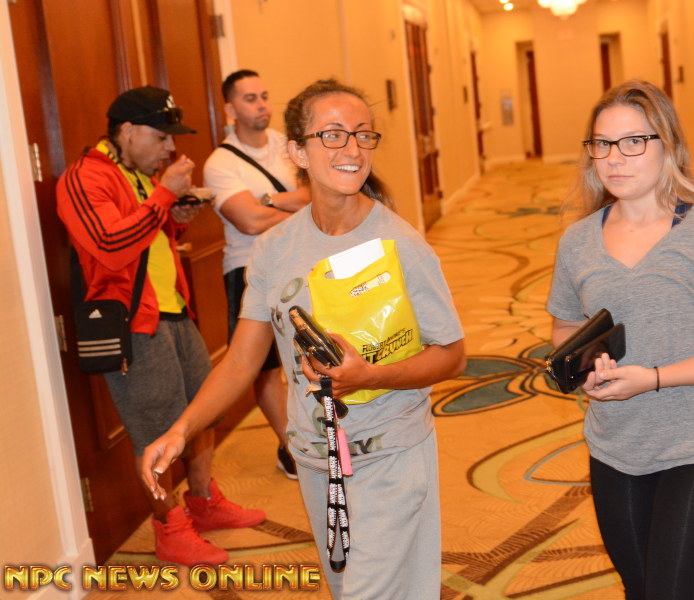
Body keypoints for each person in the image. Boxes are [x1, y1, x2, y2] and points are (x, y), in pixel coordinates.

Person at [141, 79, 466, 599]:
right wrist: (182, 430)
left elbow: (452, 355)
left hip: (391, 453)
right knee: (345, 587)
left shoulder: (401, 244)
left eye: (362, 134)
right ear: (297, 151)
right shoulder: (274, 249)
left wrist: (372, 375)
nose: (352, 149)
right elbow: (242, 362)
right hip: (316, 457)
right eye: (333, 134)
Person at [546, 80, 694, 599]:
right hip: (614, 447)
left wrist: (654, 379)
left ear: (667, 144)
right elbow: (564, 328)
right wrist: (584, 369)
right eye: (602, 143)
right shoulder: (577, 241)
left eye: (633, 142)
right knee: (639, 589)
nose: (614, 158)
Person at [56, 86, 265, 566]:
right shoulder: (84, 178)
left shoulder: (140, 175)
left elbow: (147, 235)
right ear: (128, 131)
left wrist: (175, 218)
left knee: (202, 413)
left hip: (173, 310)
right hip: (133, 323)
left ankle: (203, 501)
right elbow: (110, 248)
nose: (169, 148)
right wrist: (166, 194)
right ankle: (169, 528)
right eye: (161, 137)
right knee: (155, 432)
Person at [203, 70, 310, 480]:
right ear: (230, 109)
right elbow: (247, 222)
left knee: (310, 354)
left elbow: (316, 193)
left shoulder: (287, 145)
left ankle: (318, 434)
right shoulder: (221, 162)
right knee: (264, 367)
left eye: (264, 95)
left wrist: (268, 200)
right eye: (250, 98)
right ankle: (291, 447)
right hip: (248, 269)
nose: (262, 104)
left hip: (300, 260)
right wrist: (293, 204)